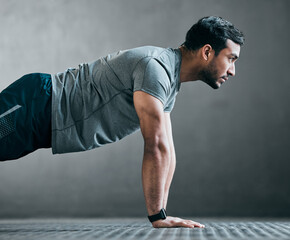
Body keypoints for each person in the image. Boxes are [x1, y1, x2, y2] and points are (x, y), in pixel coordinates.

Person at [0, 16, 244, 228]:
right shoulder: (155, 68)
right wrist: (157, 216)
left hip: (43, 124)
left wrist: (162, 214)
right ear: (207, 52)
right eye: (231, 58)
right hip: (34, 106)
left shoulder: (169, 81)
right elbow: (156, 145)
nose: (232, 70)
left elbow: (168, 151)